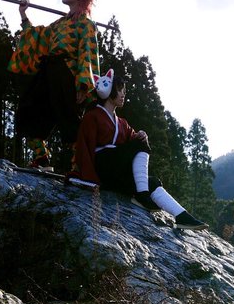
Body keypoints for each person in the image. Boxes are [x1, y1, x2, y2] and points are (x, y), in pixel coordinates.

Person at [74, 69, 208, 229]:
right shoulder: (92, 116)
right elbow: (83, 146)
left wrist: (141, 135)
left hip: (115, 172)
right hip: (103, 166)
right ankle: (142, 195)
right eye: (120, 90)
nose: (123, 94)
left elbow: (133, 137)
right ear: (109, 92)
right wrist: (88, 178)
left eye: (124, 91)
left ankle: (182, 216)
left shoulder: (122, 122)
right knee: (140, 145)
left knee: (152, 182)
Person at [8, 0, 99, 170]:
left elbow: (87, 53)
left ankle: (78, 166)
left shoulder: (86, 24)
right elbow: (37, 37)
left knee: (70, 119)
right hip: (48, 71)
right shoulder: (58, 24)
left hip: (68, 73)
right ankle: (41, 158)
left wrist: (83, 84)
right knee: (28, 111)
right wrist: (24, 15)